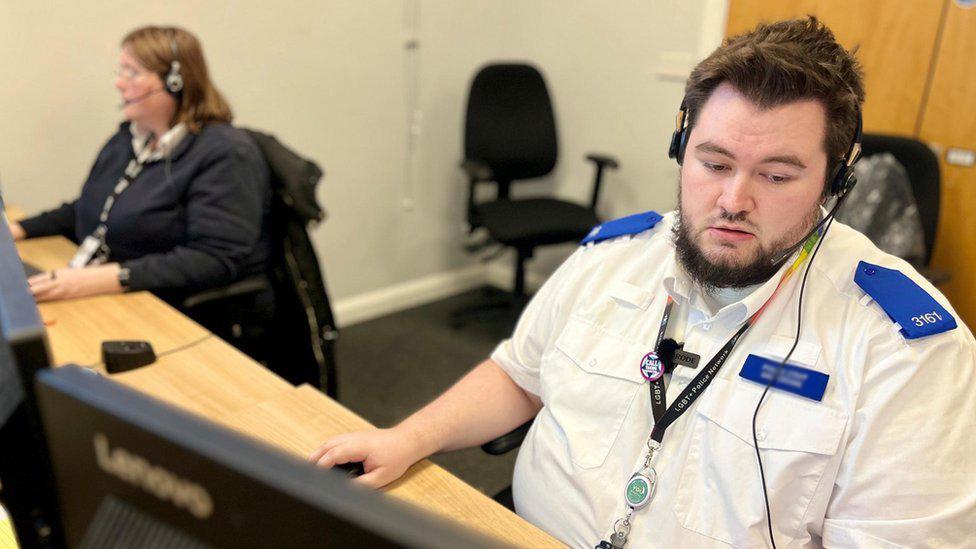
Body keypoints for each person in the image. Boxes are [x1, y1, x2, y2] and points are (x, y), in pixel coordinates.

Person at [310, 17, 976, 547]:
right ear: (680, 147)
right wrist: (409, 437)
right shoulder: (615, 252)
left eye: (776, 175)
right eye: (713, 162)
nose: (733, 199)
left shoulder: (907, 350)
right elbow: (520, 372)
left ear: (836, 182)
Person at [8, 26, 270, 310]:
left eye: (132, 72)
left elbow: (215, 258)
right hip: (103, 288)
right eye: (120, 72)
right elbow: (93, 207)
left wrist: (96, 280)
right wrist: (16, 229)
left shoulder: (226, 153)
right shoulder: (130, 138)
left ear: (174, 83)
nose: (119, 84)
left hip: (163, 307)